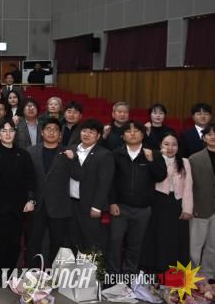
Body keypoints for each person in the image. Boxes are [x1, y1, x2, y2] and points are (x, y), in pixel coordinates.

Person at [106, 121, 166, 277]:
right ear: (122, 135)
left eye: (136, 130)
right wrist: (112, 202)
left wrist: (151, 160)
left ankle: (129, 275)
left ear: (143, 134)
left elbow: (161, 176)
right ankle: (112, 275)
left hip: (143, 208)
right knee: (115, 242)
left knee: (135, 245)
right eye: (128, 131)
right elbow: (110, 181)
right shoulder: (115, 154)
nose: (132, 133)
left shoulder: (153, 153)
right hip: (120, 207)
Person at [0, 120, 36, 273]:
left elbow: (31, 179)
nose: (7, 134)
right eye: (4, 130)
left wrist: (31, 199)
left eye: (11, 130)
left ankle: (10, 272)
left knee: (14, 242)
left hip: (18, 206)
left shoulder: (23, 154)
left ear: (15, 133)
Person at [140, 133, 194, 273]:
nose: (170, 148)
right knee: (159, 239)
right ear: (160, 145)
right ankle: (158, 274)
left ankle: (176, 275)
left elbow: (188, 186)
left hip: (177, 203)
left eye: (174, 144)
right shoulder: (154, 160)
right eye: (166, 144)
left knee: (177, 241)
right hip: (158, 203)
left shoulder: (184, 162)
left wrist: (187, 208)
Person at [25, 118, 74, 268]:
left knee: (57, 244)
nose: (52, 132)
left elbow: (79, 176)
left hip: (60, 206)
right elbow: (26, 178)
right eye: (48, 129)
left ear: (60, 134)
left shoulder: (67, 153)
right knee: (33, 242)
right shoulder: (31, 151)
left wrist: (73, 160)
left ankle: (53, 276)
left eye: (55, 130)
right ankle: (32, 275)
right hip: (36, 205)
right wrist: (30, 199)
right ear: (42, 132)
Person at [65, 118, 114, 253]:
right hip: (69, 203)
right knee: (71, 240)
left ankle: (92, 273)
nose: (86, 134)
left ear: (98, 136)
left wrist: (97, 207)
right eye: (84, 131)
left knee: (90, 242)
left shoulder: (104, 155)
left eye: (91, 132)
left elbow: (104, 184)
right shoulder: (71, 149)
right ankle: (73, 272)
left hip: (89, 205)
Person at [189, 124, 215, 280]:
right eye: (209, 134)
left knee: (213, 245)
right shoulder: (194, 159)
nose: (213, 136)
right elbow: (189, 186)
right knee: (195, 245)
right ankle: (191, 275)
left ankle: (208, 276)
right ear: (203, 138)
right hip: (200, 206)